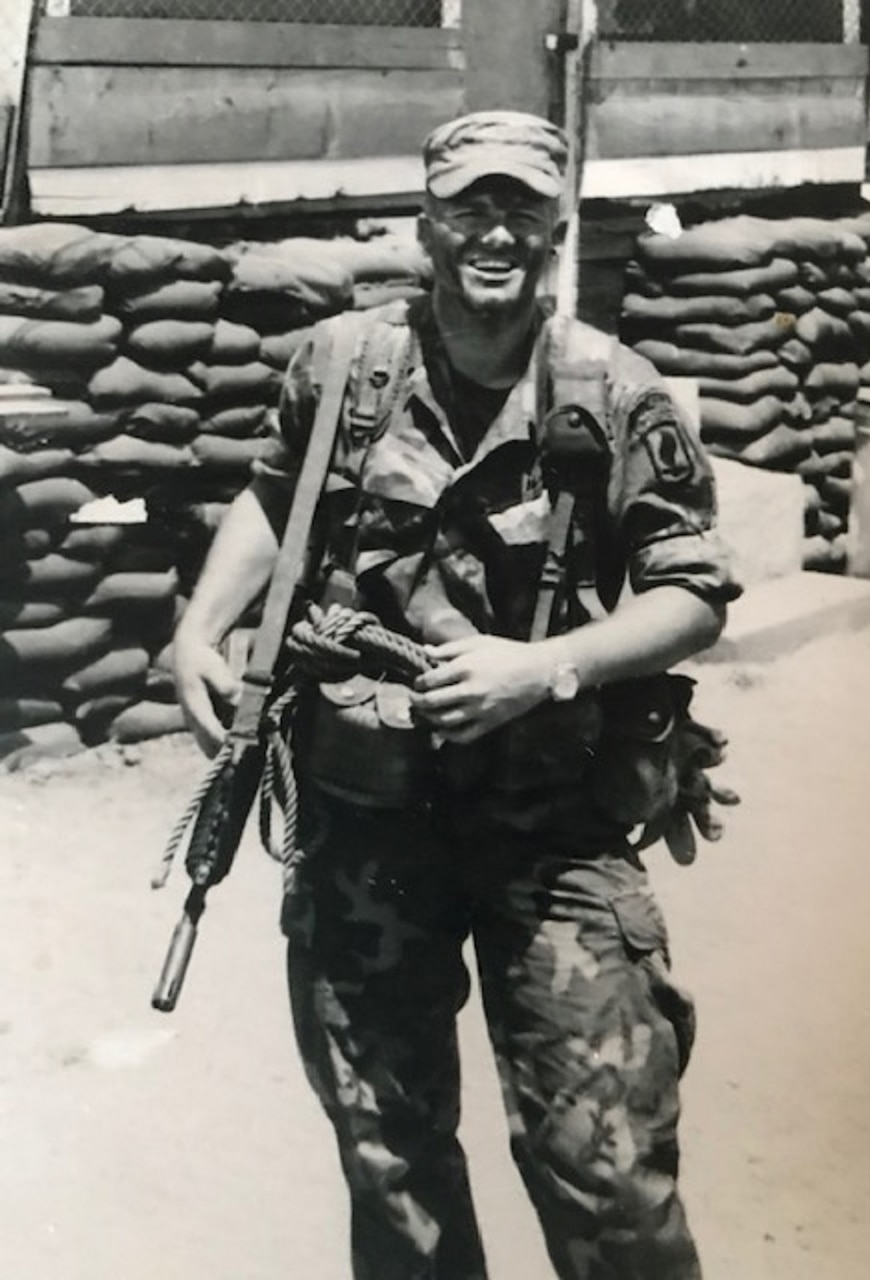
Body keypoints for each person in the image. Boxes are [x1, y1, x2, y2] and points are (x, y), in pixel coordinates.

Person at [173, 110, 740, 1280]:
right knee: (390, 1152)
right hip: (367, 821)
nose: (495, 233)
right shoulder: (341, 365)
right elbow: (276, 501)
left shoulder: (613, 394)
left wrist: (545, 665)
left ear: (557, 226)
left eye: (521, 210)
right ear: (428, 221)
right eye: (471, 207)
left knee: (611, 1173)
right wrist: (196, 628)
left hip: (553, 824)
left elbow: (693, 591)